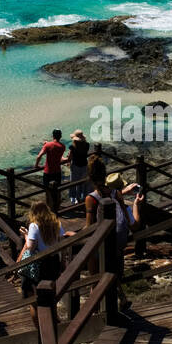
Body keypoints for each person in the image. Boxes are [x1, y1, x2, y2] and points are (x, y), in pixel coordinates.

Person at [84, 164, 135, 311]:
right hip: (120, 238)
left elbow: (89, 227)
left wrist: (74, 235)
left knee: (96, 271)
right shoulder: (115, 193)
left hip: (104, 241)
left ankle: (94, 306)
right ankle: (119, 298)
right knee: (111, 269)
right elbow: (125, 216)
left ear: (90, 178)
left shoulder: (91, 198)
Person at [20, 200, 65, 321]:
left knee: (35, 300)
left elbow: (30, 246)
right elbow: (62, 242)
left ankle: (41, 327)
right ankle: (53, 319)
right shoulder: (57, 223)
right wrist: (63, 261)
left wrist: (26, 235)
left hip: (40, 262)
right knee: (52, 293)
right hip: (54, 260)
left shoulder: (34, 225)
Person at [35, 129, 66, 207]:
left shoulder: (48, 145)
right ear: (61, 136)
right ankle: (57, 206)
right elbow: (59, 156)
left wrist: (36, 165)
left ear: (53, 136)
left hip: (48, 172)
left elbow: (39, 156)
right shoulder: (62, 146)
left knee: (47, 191)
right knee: (57, 190)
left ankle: (49, 207)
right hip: (57, 172)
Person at [66, 129, 90, 205]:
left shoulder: (72, 147)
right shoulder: (87, 145)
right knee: (82, 183)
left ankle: (74, 198)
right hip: (84, 165)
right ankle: (82, 197)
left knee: (74, 182)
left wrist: (63, 159)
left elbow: (69, 158)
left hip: (76, 166)